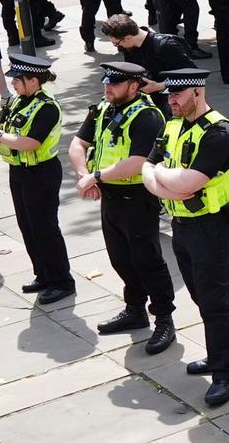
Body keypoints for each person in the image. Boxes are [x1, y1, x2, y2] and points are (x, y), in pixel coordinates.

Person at [138, 67, 229, 405]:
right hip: (182, 222)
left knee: (214, 299)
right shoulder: (172, 126)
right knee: (200, 294)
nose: (171, 101)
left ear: (198, 92)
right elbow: (145, 168)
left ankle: (225, 372)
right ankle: (225, 352)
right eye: (169, 94)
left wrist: (164, 179)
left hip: (212, 225)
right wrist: (166, 186)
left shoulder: (220, 132)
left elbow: (188, 182)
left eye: (178, 95)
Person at [70, 60, 176, 350]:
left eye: (114, 84)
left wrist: (96, 176)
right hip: (111, 199)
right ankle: (135, 310)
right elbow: (77, 144)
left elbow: (139, 162)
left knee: (148, 260)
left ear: (134, 86)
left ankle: (164, 320)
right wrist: (85, 177)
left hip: (137, 199)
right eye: (106, 82)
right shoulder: (103, 108)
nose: (108, 87)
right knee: (120, 259)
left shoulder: (147, 116)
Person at [0, 54, 72, 303]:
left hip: (41, 173)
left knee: (45, 228)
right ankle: (43, 274)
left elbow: (30, 142)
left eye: (17, 80)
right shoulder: (17, 101)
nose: (12, 84)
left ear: (34, 80)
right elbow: (4, 126)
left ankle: (61, 280)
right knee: (27, 226)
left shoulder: (46, 107)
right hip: (19, 171)